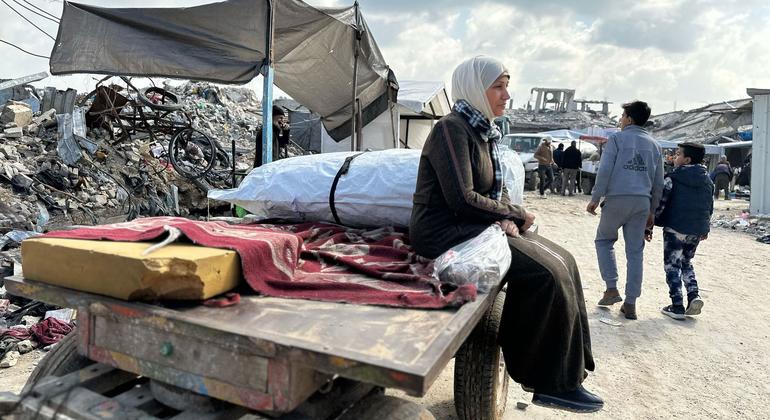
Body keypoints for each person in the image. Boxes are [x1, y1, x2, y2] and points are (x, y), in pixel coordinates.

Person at [410, 56, 602, 413]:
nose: (507, 95)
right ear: (474, 88)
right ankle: (547, 381)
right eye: (498, 86)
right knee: (545, 274)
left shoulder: (483, 132)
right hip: (444, 233)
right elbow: (461, 197)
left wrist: (505, 217)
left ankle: (573, 372)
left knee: (565, 261)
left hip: (472, 226)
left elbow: (490, 189)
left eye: (506, 85)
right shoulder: (451, 129)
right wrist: (514, 213)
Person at [587, 100, 664, 320]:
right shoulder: (655, 145)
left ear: (629, 118)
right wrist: (652, 210)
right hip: (642, 203)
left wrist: (595, 198)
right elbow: (659, 183)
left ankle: (611, 288)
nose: (620, 120)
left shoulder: (617, 139)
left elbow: (605, 171)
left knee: (604, 241)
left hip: (616, 200)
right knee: (635, 253)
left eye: (622, 116)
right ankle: (630, 304)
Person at [653, 143, 713, 320]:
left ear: (687, 159)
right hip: (696, 230)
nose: (674, 157)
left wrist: (654, 222)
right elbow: (709, 207)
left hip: (675, 228)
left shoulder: (673, 178)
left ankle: (677, 305)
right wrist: (705, 228)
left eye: (678, 154)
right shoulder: (707, 180)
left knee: (672, 265)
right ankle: (694, 295)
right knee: (686, 261)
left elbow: (661, 203)